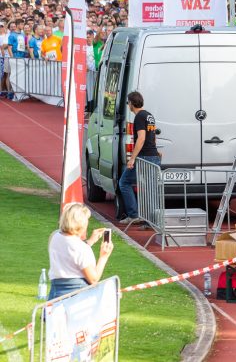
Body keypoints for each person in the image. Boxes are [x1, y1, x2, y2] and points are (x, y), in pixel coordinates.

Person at [48, 203, 114, 300]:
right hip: (77, 297)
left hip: (55, 293)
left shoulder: (55, 236)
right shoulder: (80, 247)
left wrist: (90, 242)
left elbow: (71, 253)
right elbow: (93, 279)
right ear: (81, 224)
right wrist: (103, 257)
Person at [118, 91, 161, 225]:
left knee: (124, 182)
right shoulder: (149, 115)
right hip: (152, 156)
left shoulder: (139, 117)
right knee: (150, 188)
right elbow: (153, 136)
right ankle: (151, 220)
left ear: (131, 103)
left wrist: (132, 158)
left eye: (128, 103)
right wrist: (156, 150)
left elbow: (141, 138)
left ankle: (134, 215)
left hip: (144, 157)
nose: (128, 105)